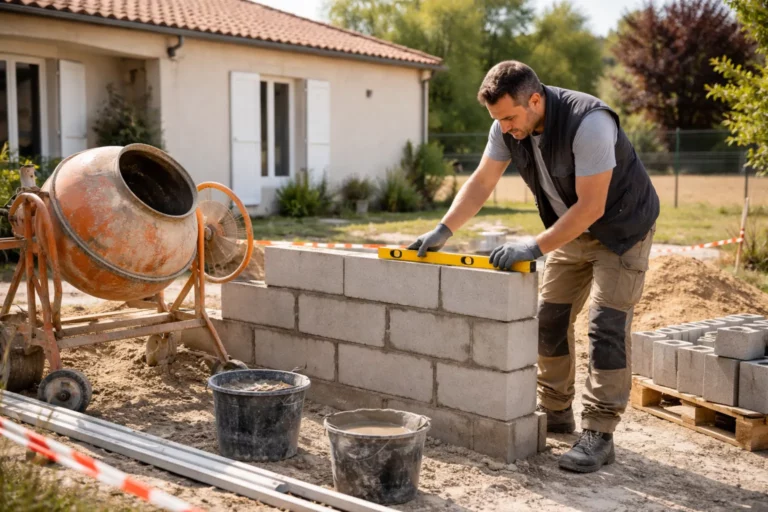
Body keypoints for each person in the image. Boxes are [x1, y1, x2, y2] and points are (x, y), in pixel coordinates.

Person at [408, 61, 660, 473]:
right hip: (571, 231)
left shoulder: (589, 123)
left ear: (536, 99)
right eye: (497, 120)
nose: (504, 128)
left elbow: (592, 206)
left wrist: (534, 247)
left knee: (606, 326)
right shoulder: (506, 127)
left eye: (509, 117)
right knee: (549, 319)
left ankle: (599, 431)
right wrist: (443, 229)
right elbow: (481, 183)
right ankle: (557, 410)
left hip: (621, 230)